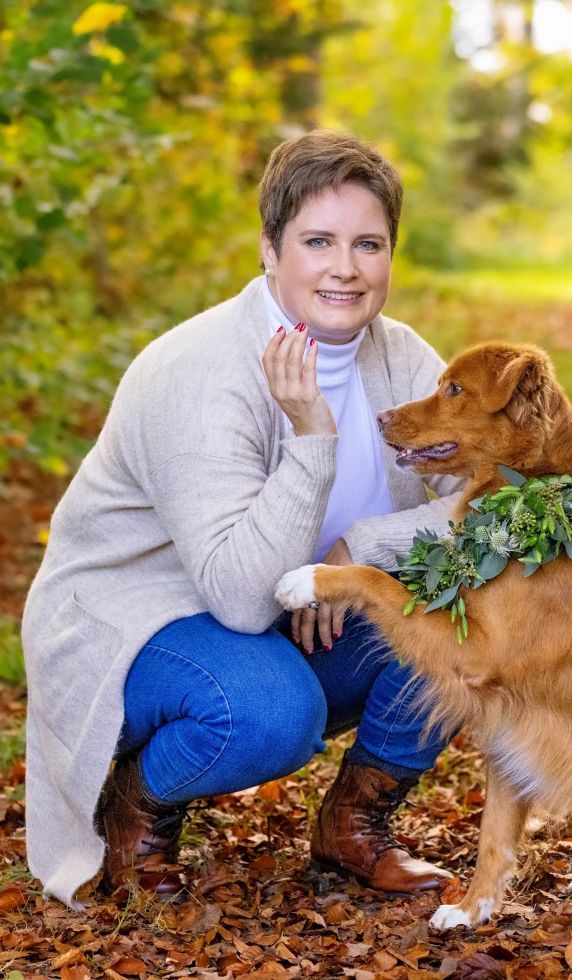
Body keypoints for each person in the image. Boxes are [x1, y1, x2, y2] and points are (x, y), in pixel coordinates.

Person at [21, 130, 466, 908]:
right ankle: (138, 805)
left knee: (470, 614)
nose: (346, 267)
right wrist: (313, 443)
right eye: (317, 241)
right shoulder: (196, 371)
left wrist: (357, 552)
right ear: (269, 248)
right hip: (143, 620)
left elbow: (495, 509)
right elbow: (237, 596)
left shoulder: (402, 359)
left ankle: (354, 825)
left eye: (369, 244)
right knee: (269, 713)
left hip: (281, 613)